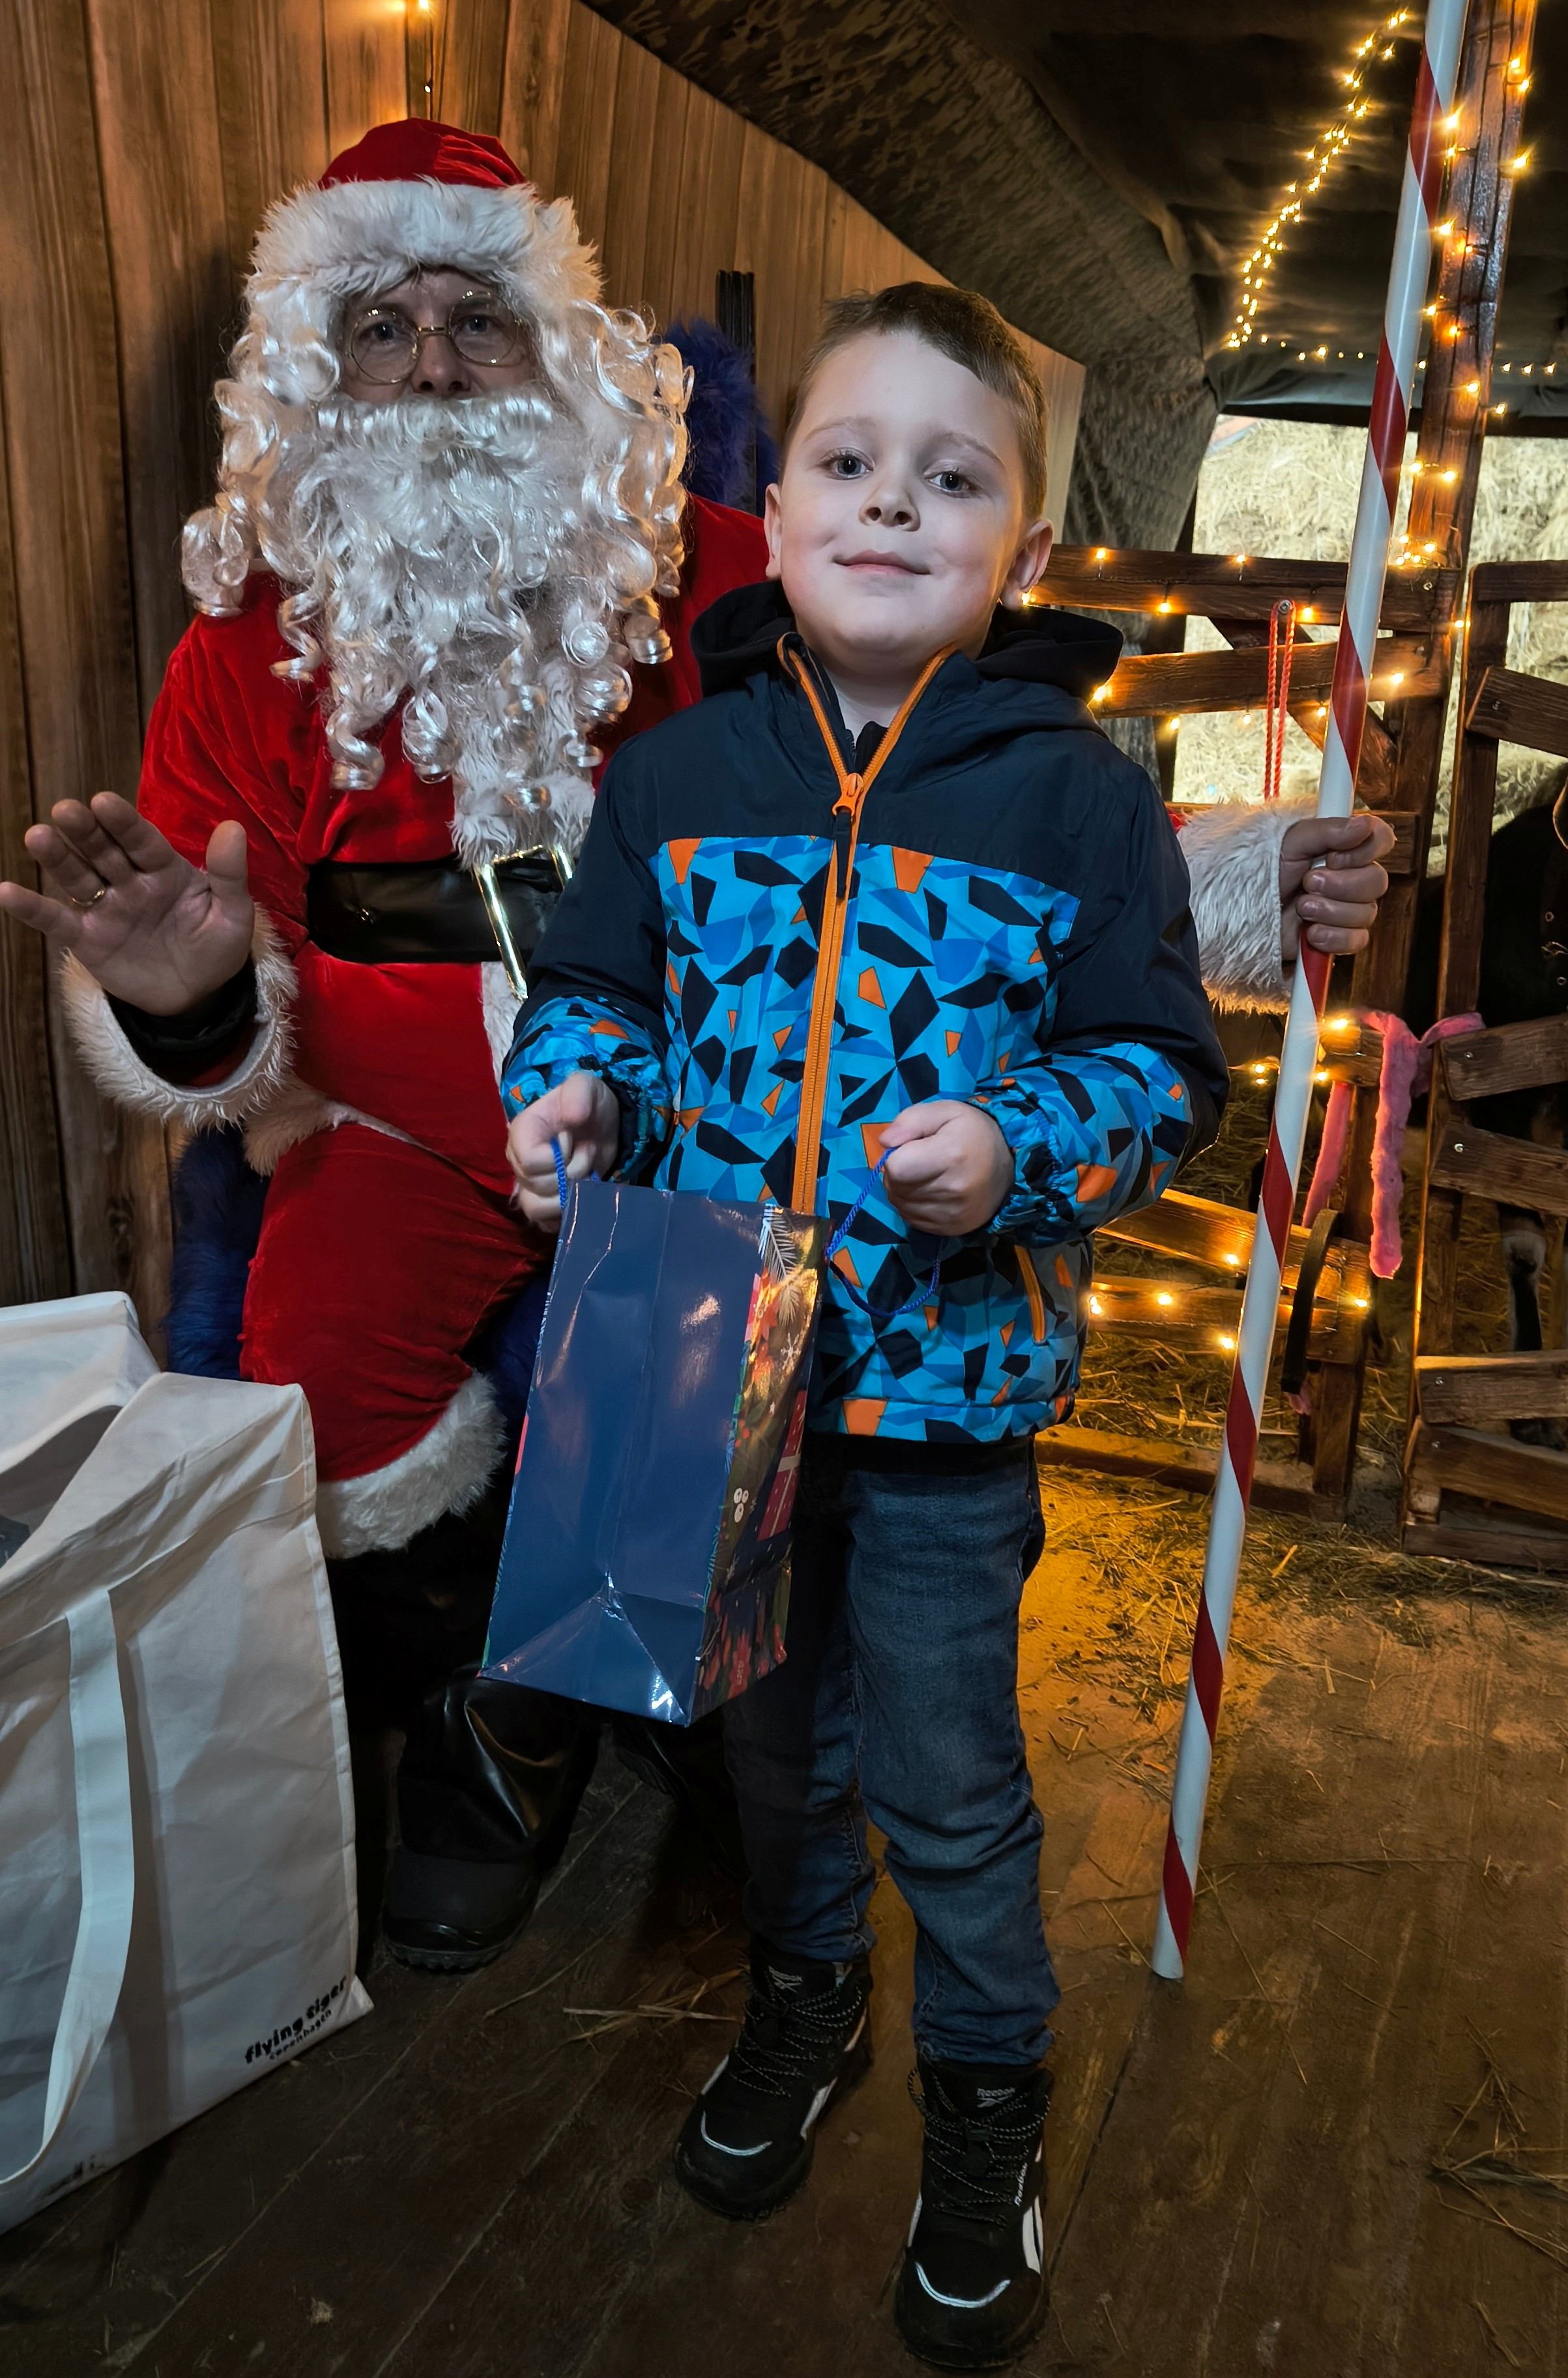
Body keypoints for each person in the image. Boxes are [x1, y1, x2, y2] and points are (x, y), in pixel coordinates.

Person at [0, 119, 1387, 1986]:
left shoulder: (738, 561)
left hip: (701, 1107)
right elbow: (194, 955)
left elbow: (959, 785)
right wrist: (188, 999)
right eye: (382, 328)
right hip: (396, 1109)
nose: (432, 371)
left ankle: (660, 1703)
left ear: (561, 348)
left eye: (478, 321)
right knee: (322, 1380)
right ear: (314, 369)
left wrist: (1242, 874)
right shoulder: (241, 646)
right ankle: (504, 1718)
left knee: (698, 1335)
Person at [501, 282, 1230, 2369]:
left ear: (1022, 543)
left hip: (942, 1401)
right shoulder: (676, 770)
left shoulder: (1075, 796)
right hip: (702, 1360)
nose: (893, 503)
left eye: (953, 476)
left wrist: (1022, 1146)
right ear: (777, 501)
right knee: (765, 1738)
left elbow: (1160, 1065)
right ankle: (808, 2000)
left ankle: (988, 2094)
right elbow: (598, 995)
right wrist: (576, 1092)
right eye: (848, 460)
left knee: (944, 1770)